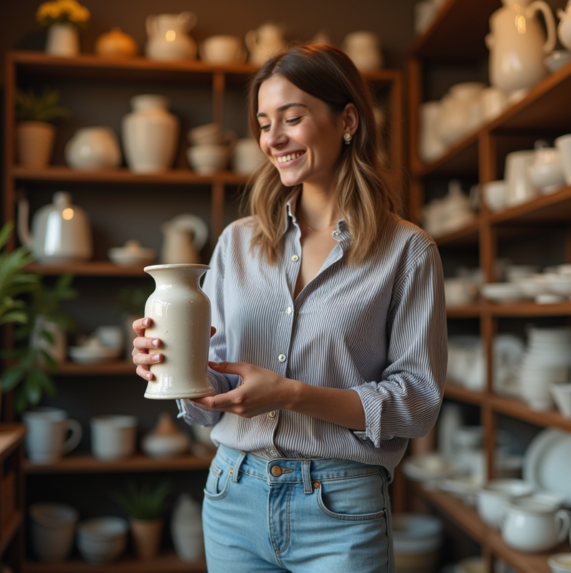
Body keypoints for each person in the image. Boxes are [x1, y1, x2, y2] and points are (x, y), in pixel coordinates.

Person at [132, 43, 446, 573]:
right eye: (262, 122)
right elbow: (224, 379)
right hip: (233, 495)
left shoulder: (407, 252)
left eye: (292, 118)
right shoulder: (237, 243)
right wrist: (177, 365)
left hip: (342, 509)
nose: (272, 139)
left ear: (347, 120)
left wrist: (291, 396)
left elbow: (417, 403)